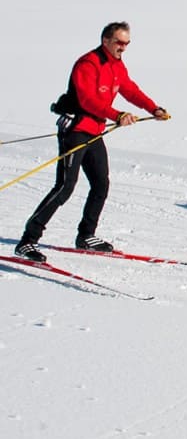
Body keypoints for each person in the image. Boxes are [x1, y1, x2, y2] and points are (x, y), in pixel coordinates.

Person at [15, 22, 170, 263]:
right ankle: (27, 241)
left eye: (127, 43)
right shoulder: (87, 64)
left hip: (95, 132)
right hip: (76, 130)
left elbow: (130, 90)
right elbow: (88, 100)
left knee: (101, 184)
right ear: (106, 40)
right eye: (120, 43)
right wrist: (117, 115)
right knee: (65, 187)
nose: (124, 48)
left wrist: (154, 108)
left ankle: (86, 235)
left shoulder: (116, 65)